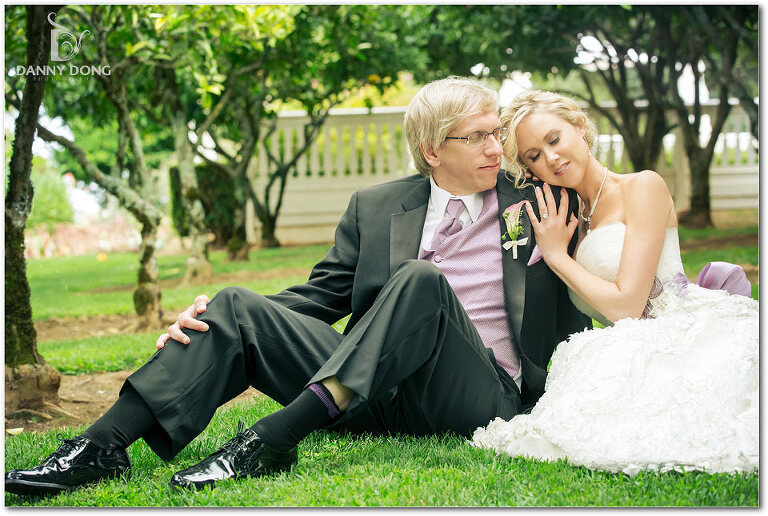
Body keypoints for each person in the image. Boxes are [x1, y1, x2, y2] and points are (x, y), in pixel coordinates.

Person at [6, 77, 591, 496]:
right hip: (368, 392)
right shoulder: (377, 206)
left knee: (420, 280)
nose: (496, 148)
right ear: (432, 150)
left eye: (496, 134)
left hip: (475, 393)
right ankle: (98, 448)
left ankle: (271, 439)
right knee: (234, 304)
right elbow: (318, 297)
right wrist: (214, 324)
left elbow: (597, 242)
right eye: (478, 137)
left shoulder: (536, 201)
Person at [471, 90, 758, 475]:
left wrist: (557, 257)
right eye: (534, 156)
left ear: (579, 126)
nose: (550, 158)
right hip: (622, 346)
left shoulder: (642, 186)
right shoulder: (567, 220)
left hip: (681, 334)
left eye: (554, 139)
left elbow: (627, 306)